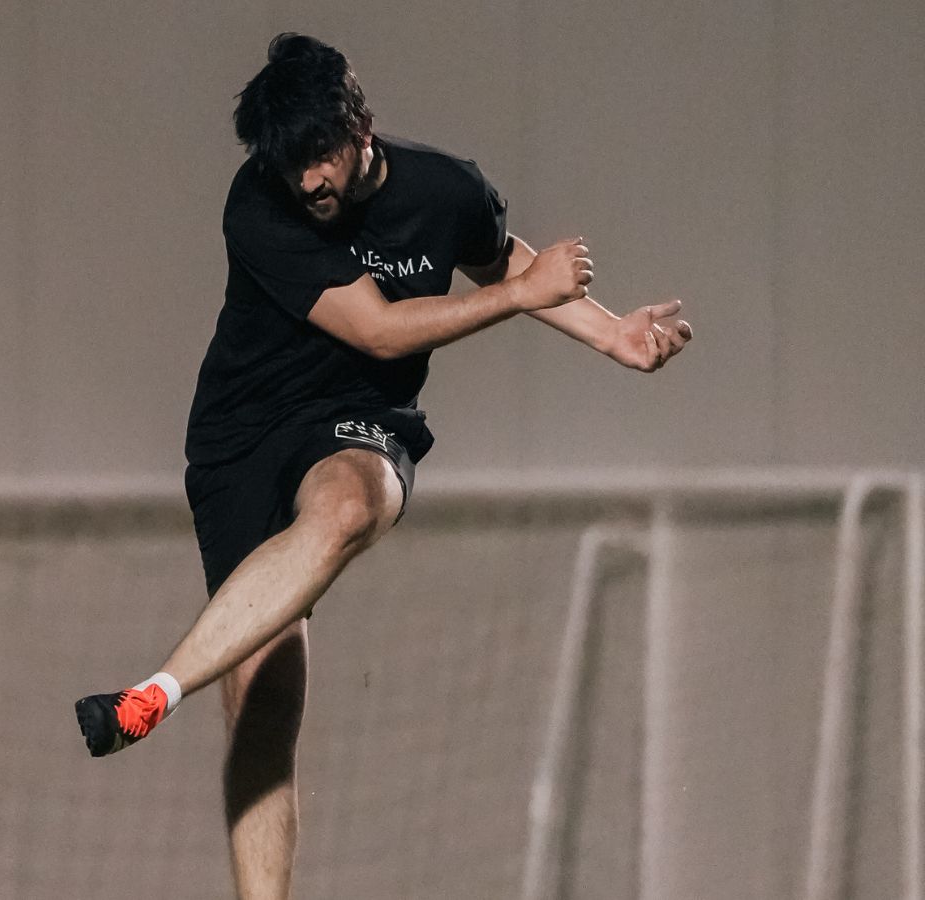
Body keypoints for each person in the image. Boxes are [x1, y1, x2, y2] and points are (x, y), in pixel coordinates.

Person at [74, 32, 692, 899]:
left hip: (359, 418)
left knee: (352, 504)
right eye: (292, 168)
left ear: (361, 125)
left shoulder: (448, 188)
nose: (310, 183)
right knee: (264, 694)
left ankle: (154, 694)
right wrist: (517, 297)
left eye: (320, 158)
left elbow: (505, 256)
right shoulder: (258, 205)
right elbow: (380, 327)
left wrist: (612, 331)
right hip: (239, 438)